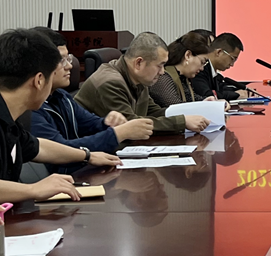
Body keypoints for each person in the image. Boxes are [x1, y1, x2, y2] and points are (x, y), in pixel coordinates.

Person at [0, 29, 121, 202]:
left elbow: (38, 147)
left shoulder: (10, 119)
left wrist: (87, 156)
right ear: (39, 81)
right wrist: (33, 189)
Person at [30, 28, 154, 158]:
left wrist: (108, 122)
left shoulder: (61, 96)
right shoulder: (32, 109)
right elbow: (60, 150)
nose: (69, 66)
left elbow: (89, 124)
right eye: (61, 60)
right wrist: (118, 134)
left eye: (68, 58)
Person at [75, 32, 211, 134]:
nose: (162, 72)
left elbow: (153, 111)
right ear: (139, 63)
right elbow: (131, 125)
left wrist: (192, 113)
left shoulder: (138, 78)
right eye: (160, 65)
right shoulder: (110, 83)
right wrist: (182, 122)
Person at [150, 32, 214, 107]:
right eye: (202, 62)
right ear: (188, 55)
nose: (202, 68)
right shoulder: (163, 78)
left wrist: (207, 101)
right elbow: (176, 107)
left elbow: (191, 99)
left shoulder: (182, 79)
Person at [192, 33, 248, 100]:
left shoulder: (213, 72)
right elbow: (207, 94)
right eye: (232, 59)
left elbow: (222, 89)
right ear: (219, 52)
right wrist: (236, 94)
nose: (232, 64)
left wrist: (240, 91)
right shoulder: (200, 69)